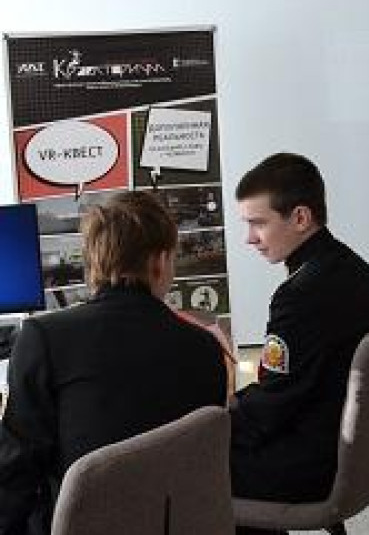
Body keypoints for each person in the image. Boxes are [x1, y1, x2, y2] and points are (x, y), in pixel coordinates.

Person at [0, 191, 227, 535]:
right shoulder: (205, 347)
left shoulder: (44, 337)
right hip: (174, 523)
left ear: (93, 262)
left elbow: (16, 469)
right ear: (161, 261)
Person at [230, 153, 369, 533]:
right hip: (361, 450)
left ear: (301, 218)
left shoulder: (299, 296)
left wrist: (213, 422)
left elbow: (272, 407)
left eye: (259, 223)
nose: (249, 238)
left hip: (316, 464)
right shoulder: (350, 266)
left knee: (190, 468)